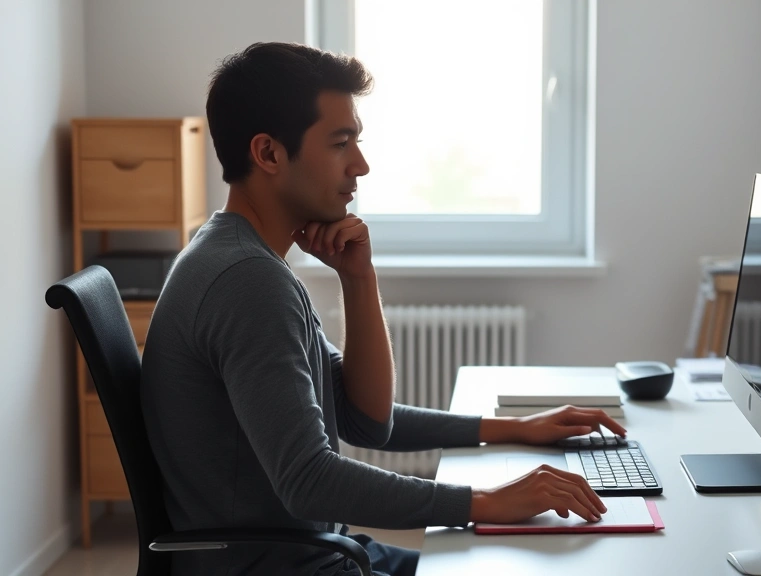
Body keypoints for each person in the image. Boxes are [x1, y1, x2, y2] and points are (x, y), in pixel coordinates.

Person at [140, 41, 625, 576]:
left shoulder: (244, 260)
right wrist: (484, 502)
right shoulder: (247, 282)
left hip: (321, 553)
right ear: (270, 154)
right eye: (341, 142)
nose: (362, 165)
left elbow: (364, 419)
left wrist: (358, 278)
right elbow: (310, 481)